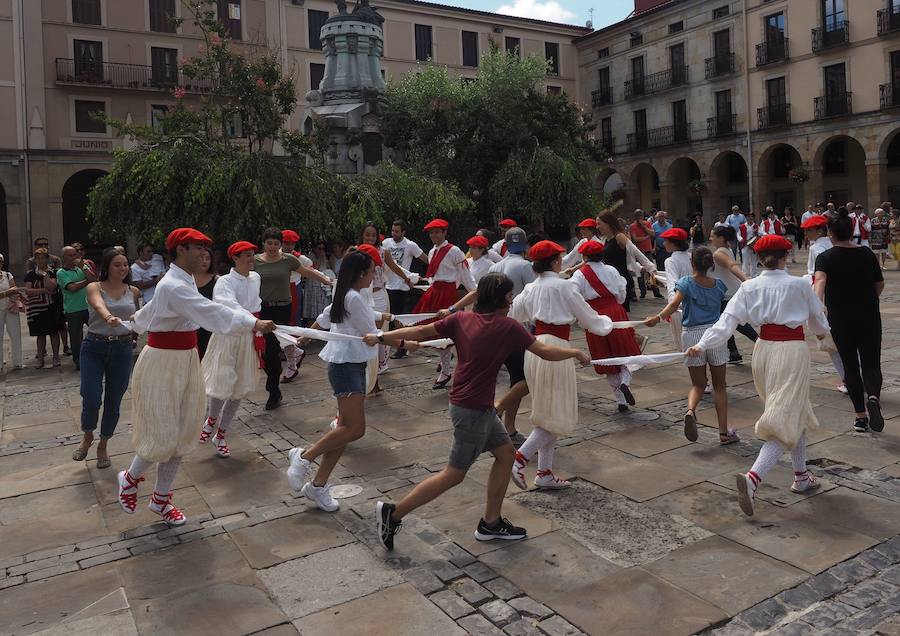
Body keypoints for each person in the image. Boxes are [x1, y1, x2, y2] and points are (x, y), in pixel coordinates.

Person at [371, 272, 589, 550]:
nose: (512, 302)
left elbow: (420, 331)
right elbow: (545, 351)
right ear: (499, 299)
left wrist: (382, 337)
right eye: (509, 297)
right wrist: (574, 353)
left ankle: (491, 523)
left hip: (473, 406)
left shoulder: (461, 319)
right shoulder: (507, 327)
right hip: (472, 410)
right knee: (454, 473)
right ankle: (394, 513)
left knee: (506, 454)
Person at [117, 228, 276, 526]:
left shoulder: (182, 280)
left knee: (185, 430)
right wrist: (252, 322)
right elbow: (209, 311)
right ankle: (130, 478)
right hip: (163, 363)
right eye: (197, 248)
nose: (204, 254)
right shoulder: (174, 285)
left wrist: (134, 322)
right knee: (162, 431)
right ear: (180, 250)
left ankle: (160, 499)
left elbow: (153, 309)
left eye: (206, 249)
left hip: (186, 358)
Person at [687, 235, 830, 516]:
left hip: (763, 352)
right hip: (791, 351)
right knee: (783, 417)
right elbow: (818, 322)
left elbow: (725, 323)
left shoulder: (749, 287)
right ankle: (753, 478)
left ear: (759, 258)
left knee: (793, 410)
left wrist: (701, 345)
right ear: (785, 256)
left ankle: (801, 476)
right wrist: (829, 338)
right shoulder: (800, 284)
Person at [285, 250, 392, 510]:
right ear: (360, 273)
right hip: (346, 366)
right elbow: (371, 333)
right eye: (370, 271)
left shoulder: (347, 294)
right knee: (355, 429)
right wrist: (408, 339)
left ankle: (318, 486)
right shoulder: (353, 296)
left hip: (350, 364)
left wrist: (308, 335)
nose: (372, 275)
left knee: (343, 430)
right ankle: (304, 456)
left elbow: (330, 316)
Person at [510, 241, 614, 489]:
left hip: (535, 348)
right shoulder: (563, 286)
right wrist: (608, 323)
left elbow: (514, 317)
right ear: (556, 261)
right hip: (557, 347)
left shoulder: (530, 288)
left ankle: (544, 472)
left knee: (546, 409)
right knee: (557, 410)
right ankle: (520, 459)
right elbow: (589, 318)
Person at [442, 226, 536, 446]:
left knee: (499, 377)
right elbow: (535, 293)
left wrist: (452, 309)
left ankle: (500, 424)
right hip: (515, 329)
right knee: (525, 379)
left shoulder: (497, 266)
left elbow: (477, 292)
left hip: (491, 328)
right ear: (525, 247)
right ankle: (503, 416)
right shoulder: (525, 266)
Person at [646, 247, 736, 444]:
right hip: (715, 335)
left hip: (692, 335)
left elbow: (673, 305)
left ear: (692, 264)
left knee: (698, 384)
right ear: (710, 265)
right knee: (719, 386)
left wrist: (657, 318)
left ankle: (690, 410)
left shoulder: (686, 283)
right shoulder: (719, 285)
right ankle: (723, 433)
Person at [815, 208, 885, 433]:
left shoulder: (824, 258)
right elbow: (879, 284)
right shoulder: (866, 254)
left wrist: (816, 306)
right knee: (871, 362)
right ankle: (873, 397)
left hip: (841, 319)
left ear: (831, 234)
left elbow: (820, 283)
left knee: (850, 366)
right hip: (869, 316)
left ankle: (861, 417)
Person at [72, 249, 141, 468]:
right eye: (117, 265)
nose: (122, 269)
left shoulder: (134, 291)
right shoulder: (95, 286)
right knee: (91, 397)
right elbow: (97, 303)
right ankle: (87, 435)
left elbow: (137, 317)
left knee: (114, 400)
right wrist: (108, 316)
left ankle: (103, 444)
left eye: (125, 265)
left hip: (121, 349)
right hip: (94, 346)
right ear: (107, 267)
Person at [255, 227, 332, 408]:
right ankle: (274, 383)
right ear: (264, 243)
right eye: (269, 243)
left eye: (276, 243)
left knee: (273, 348)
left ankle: (273, 390)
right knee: (266, 352)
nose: (272, 247)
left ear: (280, 245)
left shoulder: (288, 260)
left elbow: (307, 271)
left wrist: (325, 280)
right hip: (263, 309)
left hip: (283, 308)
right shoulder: (256, 261)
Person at [199, 241, 262, 459]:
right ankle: (211, 419)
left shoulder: (256, 278)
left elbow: (256, 304)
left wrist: (257, 326)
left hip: (247, 338)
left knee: (239, 389)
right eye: (246, 255)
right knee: (221, 384)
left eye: (252, 255)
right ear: (235, 258)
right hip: (227, 337)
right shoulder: (224, 282)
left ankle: (222, 435)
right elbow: (229, 306)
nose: (251, 259)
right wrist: (253, 321)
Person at [571, 241, 639, 412]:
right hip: (615, 312)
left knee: (605, 355)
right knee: (626, 351)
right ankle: (625, 381)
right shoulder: (611, 270)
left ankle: (620, 400)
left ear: (585, 257)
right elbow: (622, 294)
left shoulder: (579, 275)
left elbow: (574, 297)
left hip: (594, 316)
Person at [412, 218, 477, 389]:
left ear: (444, 232)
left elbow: (464, 274)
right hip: (434, 293)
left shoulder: (455, 251)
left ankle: (449, 370)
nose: (434, 235)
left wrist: (474, 292)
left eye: (437, 232)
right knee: (434, 332)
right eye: (432, 232)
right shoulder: (432, 251)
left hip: (448, 295)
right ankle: (447, 366)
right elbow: (434, 276)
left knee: (448, 334)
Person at [358, 222, 416, 382]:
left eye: (373, 235)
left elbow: (395, 267)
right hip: (361, 296)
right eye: (367, 234)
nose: (370, 238)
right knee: (364, 329)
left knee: (380, 331)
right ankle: (367, 360)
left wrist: (407, 278)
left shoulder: (383, 252)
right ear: (362, 235)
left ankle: (382, 363)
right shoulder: (356, 252)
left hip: (379, 295)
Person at [802, 214, 847, 394]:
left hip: (823, 293)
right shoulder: (831, 244)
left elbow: (816, 275)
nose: (806, 233)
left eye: (809, 230)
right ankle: (853, 377)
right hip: (839, 294)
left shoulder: (817, 248)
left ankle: (847, 379)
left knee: (830, 343)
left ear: (819, 230)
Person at [709, 225, 758, 364]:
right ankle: (734, 353)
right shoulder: (726, 249)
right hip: (727, 292)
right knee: (726, 322)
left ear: (721, 238)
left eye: (713, 236)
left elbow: (731, 265)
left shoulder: (719, 253)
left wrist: (745, 279)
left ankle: (758, 342)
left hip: (727, 293)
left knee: (733, 323)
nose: (710, 238)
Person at [384, 219, 427, 359]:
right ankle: (394, 344)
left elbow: (425, 258)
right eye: (392, 231)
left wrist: (434, 269)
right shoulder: (386, 243)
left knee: (397, 318)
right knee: (387, 317)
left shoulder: (410, 245)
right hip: (387, 285)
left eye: (397, 231)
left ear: (403, 232)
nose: (394, 234)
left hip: (402, 286)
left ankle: (402, 347)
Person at [598, 211, 655, 313]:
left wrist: (650, 267)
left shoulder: (619, 237)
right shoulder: (604, 239)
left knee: (620, 314)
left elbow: (636, 251)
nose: (597, 227)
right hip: (610, 281)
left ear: (608, 223)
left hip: (621, 280)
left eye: (599, 224)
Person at [56, 246, 96, 370]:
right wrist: (86, 281)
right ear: (64, 258)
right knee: (76, 336)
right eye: (71, 255)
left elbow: (94, 280)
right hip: (73, 309)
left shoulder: (83, 268)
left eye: (75, 254)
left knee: (97, 331)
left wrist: (83, 268)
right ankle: (78, 360)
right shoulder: (61, 273)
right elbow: (72, 288)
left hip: (89, 306)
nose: (75, 257)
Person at [22, 248, 61, 369]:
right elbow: (28, 290)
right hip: (37, 308)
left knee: (54, 333)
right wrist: (44, 290)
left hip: (51, 306)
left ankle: (56, 356)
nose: (40, 261)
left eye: (42, 258)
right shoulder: (30, 274)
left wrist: (44, 275)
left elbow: (53, 287)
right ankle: (40, 358)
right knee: (40, 334)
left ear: (47, 259)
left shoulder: (52, 272)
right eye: (37, 258)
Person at [659, 227, 692, 351]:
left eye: (666, 241)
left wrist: (672, 306)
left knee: (683, 345)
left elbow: (673, 284)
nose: (664, 243)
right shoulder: (692, 256)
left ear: (673, 243)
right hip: (696, 303)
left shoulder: (671, 261)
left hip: (679, 305)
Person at [629, 210, 662, 299]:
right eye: (638, 216)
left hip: (648, 251)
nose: (640, 218)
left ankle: (656, 291)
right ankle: (643, 292)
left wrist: (644, 227)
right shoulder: (632, 226)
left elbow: (653, 234)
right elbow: (635, 239)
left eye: (641, 216)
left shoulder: (647, 224)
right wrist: (646, 237)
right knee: (640, 273)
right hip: (638, 252)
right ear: (635, 217)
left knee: (652, 271)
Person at [0, 253, 24, 370]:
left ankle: (17, 361)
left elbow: (14, 288)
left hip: (10, 307)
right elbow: (10, 291)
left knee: (15, 333)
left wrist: (11, 292)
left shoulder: (7, 275)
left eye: (0, 261)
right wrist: (5, 293)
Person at [302, 240, 333, 327]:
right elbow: (314, 268)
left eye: (323, 248)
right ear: (315, 249)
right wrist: (319, 257)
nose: (321, 250)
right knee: (311, 310)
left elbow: (328, 268)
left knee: (320, 309)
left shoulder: (325, 258)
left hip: (322, 285)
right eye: (319, 248)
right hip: (312, 284)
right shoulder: (310, 257)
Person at [194, 247, 218, 359]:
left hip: (210, 328)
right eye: (201, 258)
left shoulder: (218, 280)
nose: (204, 261)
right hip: (191, 327)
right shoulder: (185, 279)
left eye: (207, 258)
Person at [739, 212, 760, 277]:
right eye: (748, 217)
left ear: (753, 218)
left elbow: (760, 233)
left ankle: (754, 273)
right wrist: (740, 239)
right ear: (746, 218)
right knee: (745, 260)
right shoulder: (742, 226)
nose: (750, 218)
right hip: (745, 244)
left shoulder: (756, 226)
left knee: (754, 260)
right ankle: (745, 273)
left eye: (751, 217)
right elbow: (738, 234)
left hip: (753, 244)